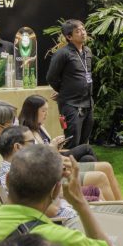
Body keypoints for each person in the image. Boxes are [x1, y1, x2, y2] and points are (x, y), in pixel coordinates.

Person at [18, 94, 123, 201]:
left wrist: (56, 148)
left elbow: (48, 153)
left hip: (59, 165)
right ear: (32, 112)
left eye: (47, 110)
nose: (46, 114)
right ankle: (119, 207)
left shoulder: (39, 127)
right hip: (54, 175)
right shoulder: (26, 135)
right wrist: (52, 148)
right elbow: (37, 163)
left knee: (101, 164)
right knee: (100, 175)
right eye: (43, 111)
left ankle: (122, 204)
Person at [0, 125, 89, 227]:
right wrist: (56, 187)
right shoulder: (19, 176)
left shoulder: (13, 173)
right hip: (67, 223)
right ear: (17, 147)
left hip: (70, 218)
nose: (36, 147)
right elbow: (51, 210)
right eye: (32, 142)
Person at [46, 19, 94, 150]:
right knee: (72, 142)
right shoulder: (62, 53)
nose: (83, 33)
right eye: (77, 31)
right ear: (69, 37)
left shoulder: (87, 51)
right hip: (71, 104)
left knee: (84, 142)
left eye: (83, 29)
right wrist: (62, 91)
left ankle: (82, 163)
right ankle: (68, 162)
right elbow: (51, 77)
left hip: (88, 102)